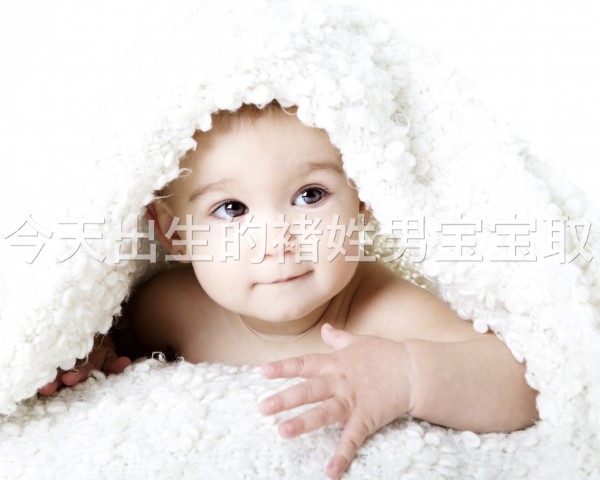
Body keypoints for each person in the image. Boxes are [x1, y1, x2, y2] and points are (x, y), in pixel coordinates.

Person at [40, 102, 539, 479]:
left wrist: (407, 373)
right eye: (231, 209)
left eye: (310, 195)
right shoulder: (172, 307)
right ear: (174, 232)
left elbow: (520, 385)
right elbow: (119, 348)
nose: (277, 239)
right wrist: (92, 356)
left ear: (362, 200)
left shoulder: (382, 311)